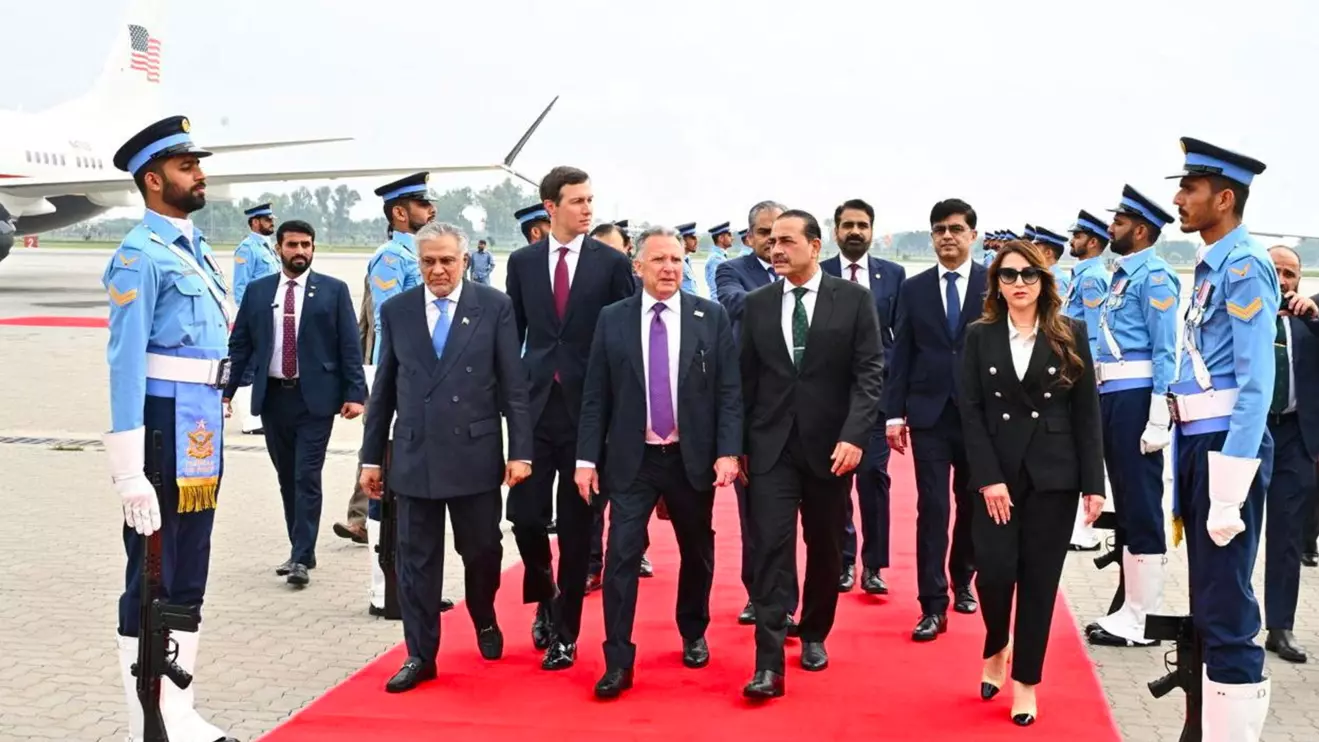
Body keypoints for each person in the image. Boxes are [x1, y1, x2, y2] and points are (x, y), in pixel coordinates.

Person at [102, 114, 238, 742]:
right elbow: (126, 364)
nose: (199, 173)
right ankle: (145, 720)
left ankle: (179, 711)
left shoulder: (194, 249)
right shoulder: (140, 255)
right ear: (154, 180)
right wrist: (129, 470)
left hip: (198, 424)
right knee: (153, 568)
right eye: (187, 166)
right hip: (160, 429)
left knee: (190, 564)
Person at [359, 220, 533, 692]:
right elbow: (384, 391)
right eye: (429, 261)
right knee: (415, 562)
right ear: (420, 263)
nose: (438, 269)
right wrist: (370, 459)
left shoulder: (493, 306)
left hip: (475, 454)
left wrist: (521, 451)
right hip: (415, 456)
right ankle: (420, 653)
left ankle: (483, 614)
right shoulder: (397, 311)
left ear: (464, 261)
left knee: (482, 552)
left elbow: (514, 387)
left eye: (447, 260)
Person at [574, 226, 743, 698]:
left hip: (691, 459)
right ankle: (617, 658)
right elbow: (595, 397)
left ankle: (693, 630)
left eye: (676, 260)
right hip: (632, 459)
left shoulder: (709, 316)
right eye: (659, 260)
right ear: (638, 266)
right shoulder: (613, 319)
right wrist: (586, 459)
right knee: (621, 555)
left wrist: (728, 451)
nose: (670, 268)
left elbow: (730, 392)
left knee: (697, 550)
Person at [739, 209, 884, 699]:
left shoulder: (855, 300)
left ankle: (815, 631)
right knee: (772, 548)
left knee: (825, 547)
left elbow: (869, 373)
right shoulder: (757, 304)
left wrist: (855, 434)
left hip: (831, 450)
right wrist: (736, 447)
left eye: (786, 241)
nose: (775, 249)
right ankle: (768, 662)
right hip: (771, 448)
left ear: (815, 246)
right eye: (771, 241)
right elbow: (743, 380)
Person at [960, 240, 1105, 726]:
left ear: (1044, 281)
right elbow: (972, 411)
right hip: (997, 475)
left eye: (1028, 274)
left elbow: (1087, 412)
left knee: (1040, 583)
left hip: (1054, 474)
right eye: (1007, 275)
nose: (1018, 283)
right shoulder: (980, 336)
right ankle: (997, 643)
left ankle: (1026, 681)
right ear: (996, 285)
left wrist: (1093, 483)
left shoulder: (1071, 332)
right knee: (995, 574)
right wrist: (988, 479)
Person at [504, 165, 636, 669]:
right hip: (535, 411)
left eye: (590, 199)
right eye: (578, 201)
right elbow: (510, 334)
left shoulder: (609, 263)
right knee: (524, 518)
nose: (588, 209)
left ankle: (567, 632)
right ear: (550, 208)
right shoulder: (522, 263)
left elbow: (625, 340)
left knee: (580, 530)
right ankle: (545, 597)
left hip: (589, 415)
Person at [1167, 136, 1275, 738]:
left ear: (1225, 199)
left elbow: (1257, 382)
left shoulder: (1243, 265)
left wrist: (1230, 483)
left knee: (1227, 605)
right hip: (1199, 443)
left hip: (1226, 453)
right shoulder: (1212, 265)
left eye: (1191, 190)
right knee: (1209, 601)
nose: (1180, 200)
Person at [223, 219, 367, 587]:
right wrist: (224, 392)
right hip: (273, 398)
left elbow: (349, 345)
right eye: (293, 245)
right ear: (279, 249)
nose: (300, 251)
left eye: (306, 244)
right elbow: (240, 347)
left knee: (306, 476)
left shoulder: (333, 291)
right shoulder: (258, 292)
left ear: (314, 248)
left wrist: (355, 394)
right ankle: (300, 547)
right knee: (287, 477)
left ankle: (301, 557)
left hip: (315, 400)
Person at [886, 198, 986, 641]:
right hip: (928, 414)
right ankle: (932, 604)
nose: (947, 236)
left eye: (956, 229)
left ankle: (963, 577)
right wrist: (893, 413)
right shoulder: (915, 287)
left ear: (972, 236)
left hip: (979, 415)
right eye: (940, 230)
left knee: (972, 505)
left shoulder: (993, 283)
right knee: (932, 507)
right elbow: (901, 351)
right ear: (932, 237)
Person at [1084, 186, 1179, 649]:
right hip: (1113, 394)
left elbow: (1166, 349)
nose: (1111, 229)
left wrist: (1159, 411)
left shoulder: (1155, 276)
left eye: (1119, 223)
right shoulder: (1122, 275)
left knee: (1141, 503)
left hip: (1139, 396)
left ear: (1140, 231)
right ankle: (1130, 608)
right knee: (1126, 497)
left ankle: (1144, 617)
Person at [713, 200, 799, 630]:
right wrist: (792, 292)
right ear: (749, 237)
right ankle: (757, 592)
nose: (773, 242)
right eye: (765, 233)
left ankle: (788, 601)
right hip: (753, 410)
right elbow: (734, 305)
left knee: (795, 520)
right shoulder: (732, 271)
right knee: (756, 516)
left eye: (781, 234)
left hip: (800, 413)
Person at [360, 172, 442, 617]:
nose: (431, 211)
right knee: (388, 483)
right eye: (422, 205)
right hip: (397, 379)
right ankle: (383, 588)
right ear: (399, 212)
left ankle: (416, 584)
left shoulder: (425, 255)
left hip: (426, 380)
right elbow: (395, 325)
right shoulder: (391, 259)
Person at [819, 198, 905, 594]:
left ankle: (874, 565)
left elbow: (902, 340)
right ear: (836, 230)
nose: (855, 231)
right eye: (848, 225)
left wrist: (896, 407)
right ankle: (843, 559)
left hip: (875, 397)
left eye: (863, 225)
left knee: (873, 478)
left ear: (872, 230)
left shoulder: (894, 275)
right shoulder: (817, 275)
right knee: (835, 484)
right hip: (829, 401)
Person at [583, 221, 653, 587]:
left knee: (632, 490)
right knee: (593, 494)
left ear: (627, 252)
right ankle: (592, 562)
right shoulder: (584, 294)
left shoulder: (648, 297)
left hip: (636, 415)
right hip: (594, 406)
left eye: (612, 251)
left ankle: (635, 548)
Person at [1262, 245, 1319, 663]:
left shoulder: (1310, 322)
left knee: (1286, 537)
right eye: (1275, 271)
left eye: (1290, 274)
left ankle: (1280, 627)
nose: (1283, 281)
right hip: (1250, 434)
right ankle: (1229, 619)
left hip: (1296, 440)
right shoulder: (1244, 316)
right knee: (1236, 531)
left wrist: (1315, 318)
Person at [1063, 210, 1111, 553]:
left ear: (1092, 242)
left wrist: (1085, 375)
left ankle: (1085, 530)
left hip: (1080, 371)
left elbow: (1094, 333)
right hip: (1070, 367)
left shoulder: (1093, 278)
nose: (1072, 241)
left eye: (1078, 235)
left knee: (1086, 448)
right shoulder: (1082, 276)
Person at [231, 202, 279, 435]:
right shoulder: (247, 249)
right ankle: (250, 421)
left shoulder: (269, 248)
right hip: (257, 318)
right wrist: (251, 319)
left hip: (274, 316)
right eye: (267, 219)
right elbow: (241, 288)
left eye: (272, 218)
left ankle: (261, 415)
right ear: (255, 222)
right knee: (248, 368)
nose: (272, 222)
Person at [704, 222, 734, 297]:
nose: (732, 238)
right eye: (729, 235)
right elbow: (716, 289)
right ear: (721, 238)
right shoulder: (716, 259)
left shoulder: (721, 257)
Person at [675, 222, 700, 295]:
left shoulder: (686, 260)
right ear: (683, 240)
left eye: (697, 238)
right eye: (693, 238)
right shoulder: (676, 261)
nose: (696, 241)